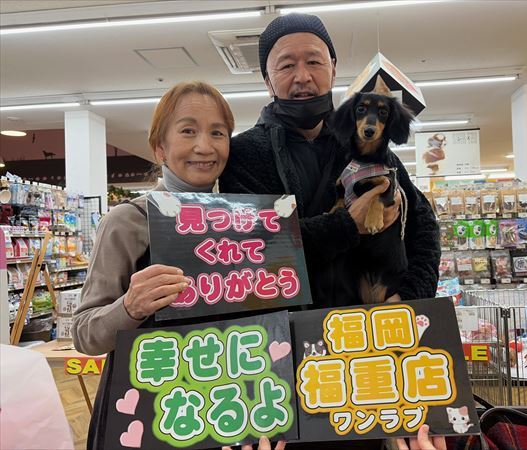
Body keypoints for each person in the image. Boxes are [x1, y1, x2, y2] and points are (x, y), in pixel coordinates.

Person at [72, 81, 283, 450]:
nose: (205, 146)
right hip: (149, 414)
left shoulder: (249, 222)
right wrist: (130, 307)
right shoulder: (129, 221)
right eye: (188, 131)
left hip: (227, 410)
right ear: (160, 148)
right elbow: (84, 334)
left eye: (217, 133)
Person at [220, 13, 441, 310]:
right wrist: (346, 225)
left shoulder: (369, 146)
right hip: (286, 329)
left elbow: (423, 225)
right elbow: (251, 247)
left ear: (333, 70)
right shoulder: (244, 153)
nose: (302, 76)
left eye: (314, 62)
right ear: (268, 81)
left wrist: (408, 296)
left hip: (366, 325)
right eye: (287, 65)